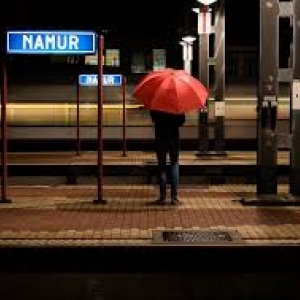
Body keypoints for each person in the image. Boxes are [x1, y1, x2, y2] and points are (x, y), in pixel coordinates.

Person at [149, 109, 186, 205]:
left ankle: (163, 197)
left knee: (161, 166)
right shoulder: (177, 105)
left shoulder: (156, 105)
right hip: (174, 139)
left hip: (161, 139)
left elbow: (153, 119)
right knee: (174, 164)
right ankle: (174, 198)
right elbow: (182, 121)